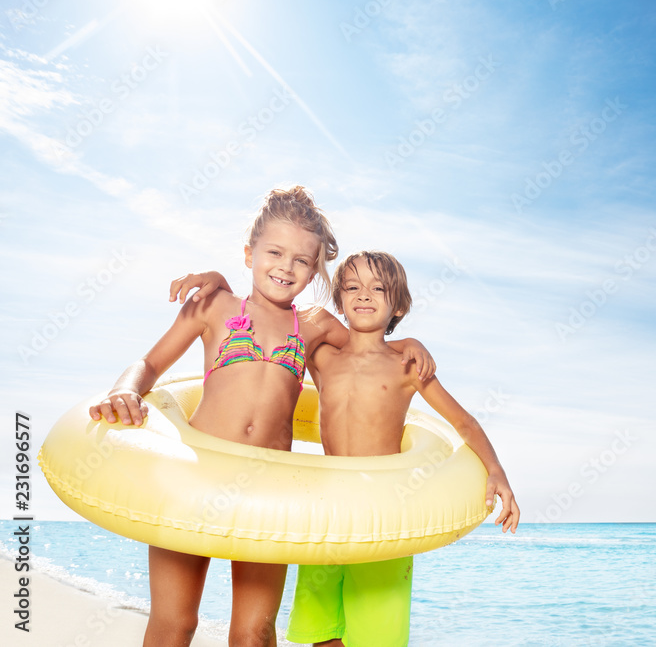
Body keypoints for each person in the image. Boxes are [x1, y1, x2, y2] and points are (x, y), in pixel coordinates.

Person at [89, 187, 434, 647]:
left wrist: (408, 344)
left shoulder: (312, 324)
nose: (285, 267)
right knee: (176, 623)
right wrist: (125, 388)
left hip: (267, 492)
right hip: (196, 479)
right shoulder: (214, 306)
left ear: (314, 271)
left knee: (254, 632)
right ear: (249, 253)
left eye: (302, 261)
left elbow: (369, 346)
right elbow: (150, 365)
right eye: (274, 252)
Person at [181, 250, 519, 646]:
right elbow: (267, 312)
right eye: (353, 287)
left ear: (399, 305)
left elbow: (464, 422)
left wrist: (497, 472)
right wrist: (220, 281)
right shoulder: (323, 358)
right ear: (338, 299)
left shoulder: (407, 366)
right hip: (329, 515)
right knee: (323, 632)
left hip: (385, 513)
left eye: (378, 288)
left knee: (375, 632)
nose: (364, 295)